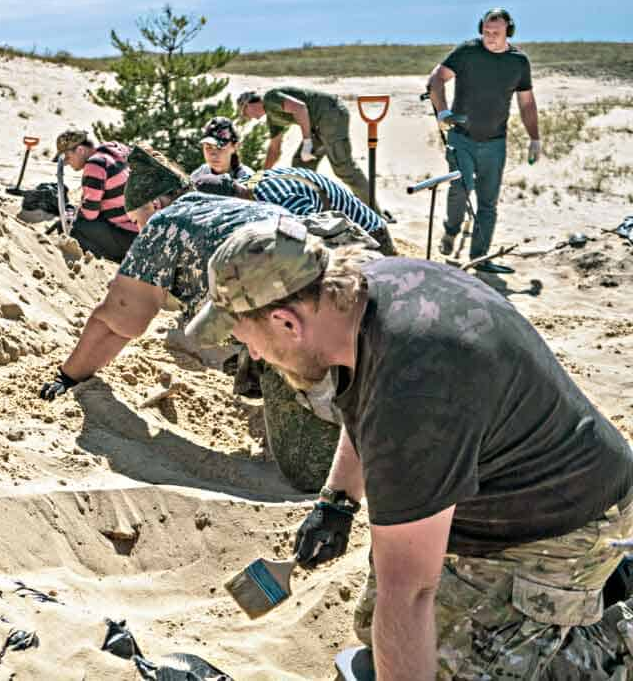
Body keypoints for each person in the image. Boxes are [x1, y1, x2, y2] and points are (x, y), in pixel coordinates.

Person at [186, 220, 633, 679]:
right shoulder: (362, 295)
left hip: (569, 521)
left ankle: (609, 637)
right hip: (489, 489)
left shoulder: (414, 392)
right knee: (376, 627)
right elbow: (366, 403)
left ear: (286, 322)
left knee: (438, 660)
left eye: (248, 341)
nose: (255, 356)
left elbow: (412, 592)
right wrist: (338, 500)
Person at [37, 144, 380, 491]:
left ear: (155, 205)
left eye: (137, 220)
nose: (138, 230)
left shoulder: (164, 225)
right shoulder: (222, 206)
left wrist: (69, 376)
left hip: (296, 323)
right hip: (349, 287)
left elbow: (120, 320)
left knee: (310, 470)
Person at [427, 7, 541, 275]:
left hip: (495, 142)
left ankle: (479, 258)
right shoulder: (467, 51)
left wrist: (535, 137)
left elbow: (526, 103)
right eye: (486, 31)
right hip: (461, 137)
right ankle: (451, 231)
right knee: (461, 188)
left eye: (496, 32)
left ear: (508, 32)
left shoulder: (519, 62)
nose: (490, 37)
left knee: (488, 202)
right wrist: (442, 111)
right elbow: (436, 79)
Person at [237, 87, 390, 220]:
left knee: (344, 168)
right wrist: (262, 174)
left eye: (245, 112)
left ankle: (375, 214)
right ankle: (314, 210)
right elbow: (274, 149)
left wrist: (307, 142)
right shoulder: (272, 119)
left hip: (331, 115)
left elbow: (300, 108)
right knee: (300, 167)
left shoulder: (271, 98)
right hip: (318, 126)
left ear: (251, 103)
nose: (248, 117)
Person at [193, 167, 396, 256]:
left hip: (369, 239)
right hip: (336, 234)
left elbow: (312, 244)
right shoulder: (250, 184)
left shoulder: (280, 199)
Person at [55, 129, 138, 264]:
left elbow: (90, 214)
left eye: (68, 158)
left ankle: (113, 260)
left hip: (129, 236)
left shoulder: (95, 164)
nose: (68, 164)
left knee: (73, 227)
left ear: (81, 150)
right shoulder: (113, 149)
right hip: (143, 226)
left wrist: (71, 216)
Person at [189, 117, 254, 183]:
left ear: (235, 147)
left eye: (220, 148)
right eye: (208, 147)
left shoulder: (249, 178)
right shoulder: (199, 174)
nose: (213, 155)